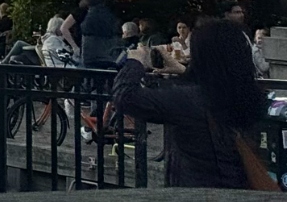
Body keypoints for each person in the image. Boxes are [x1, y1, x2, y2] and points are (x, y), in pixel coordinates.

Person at [112, 19, 270, 188]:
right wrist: (184, 70)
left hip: (195, 188)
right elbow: (215, 80)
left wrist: (135, 62)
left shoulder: (189, 100)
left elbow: (125, 96)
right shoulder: (252, 96)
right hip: (239, 187)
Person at [76, 0, 121, 69]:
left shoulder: (90, 16)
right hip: (109, 55)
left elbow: (85, 29)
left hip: (91, 56)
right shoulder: (108, 14)